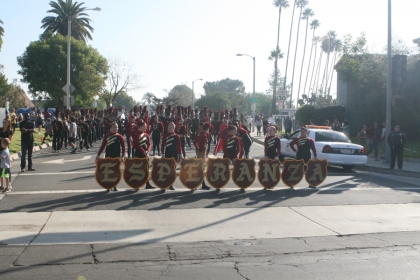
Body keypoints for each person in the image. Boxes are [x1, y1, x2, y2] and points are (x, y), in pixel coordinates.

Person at [96, 122, 126, 192]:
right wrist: (98, 155)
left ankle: (115, 185)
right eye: (115, 127)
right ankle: (108, 186)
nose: (116, 128)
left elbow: (123, 147)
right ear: (111, 128)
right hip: (108, 157)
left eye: (117, 127)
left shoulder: (120, 136)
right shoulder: (107, 136)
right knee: (108, 172)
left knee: (115, 172)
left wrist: (123, 156)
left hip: (116, 157)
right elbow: (102, 146)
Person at [132, 120, 155, 189]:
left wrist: (147, 150)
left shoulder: (146, 135)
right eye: (144, 126)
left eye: (146, 127)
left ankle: (147, 184)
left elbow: (149, 144)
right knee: (138, 169)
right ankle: (136, 184)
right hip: (139, 154)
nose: (146, 128)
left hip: (145, 155)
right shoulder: (136, 135)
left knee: (146, 169)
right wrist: (143, 151)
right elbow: (137, 145)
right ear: (140, 127)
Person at [161, 122, 183, 191]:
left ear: (173, 128)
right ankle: (164, 185)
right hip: (167, 154)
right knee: (166, 170)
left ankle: (171, 185)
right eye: (168, 128)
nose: (169, 129)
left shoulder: (177, 136)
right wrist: (162, 154)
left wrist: (181, 154)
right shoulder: (165, 135)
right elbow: (162, 145)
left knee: (173, 170)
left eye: (170, 128)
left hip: (175, 154)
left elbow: (179, 146)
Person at [193, 122, 211, 190]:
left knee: (201, 169)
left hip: (200, 152)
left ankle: (202, 184)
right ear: (207, 129)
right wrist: (204, 155)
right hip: (202, 153)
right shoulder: (204, 135)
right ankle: (196, 184)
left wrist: (197, 147)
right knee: (200, 169)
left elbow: (194, 142)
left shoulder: (201, 134)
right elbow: (204, 146)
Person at [0, 119, 13, 189]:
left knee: (6, 169)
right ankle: (2, 185)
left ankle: (8, 184)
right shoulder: (1, 130)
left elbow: (9, 141)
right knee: (1, 168)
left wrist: (3, 140)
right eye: (3, 122)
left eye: (6, 123)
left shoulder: (10, 131)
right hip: (0, 147)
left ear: (8, 124)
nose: (4, 124)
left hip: (4, 148)